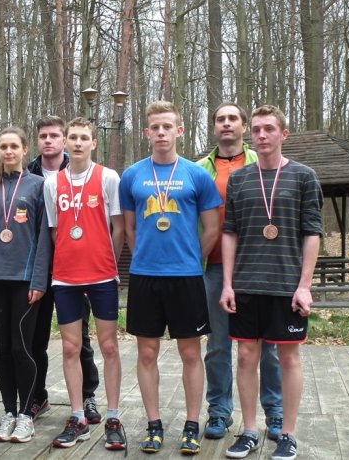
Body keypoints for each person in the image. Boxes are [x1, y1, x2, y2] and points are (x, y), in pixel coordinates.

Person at [220, 105, 323, 460]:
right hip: (246, 284)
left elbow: (312, 233)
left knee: (288, 358)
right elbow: (229, 233)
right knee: (246, 357)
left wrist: (304, 285)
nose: (262, 135)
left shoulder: (304, 176)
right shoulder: (239, 179)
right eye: (257, 130)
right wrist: (227, 284)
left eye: (269, 129)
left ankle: (288, 435)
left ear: (284, 134)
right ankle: (249, 431)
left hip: (286, 285)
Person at [119, 101, 221, 455]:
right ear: (146, 132)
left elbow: (212, 228)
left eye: (167, 126)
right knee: (146, 353)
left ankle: (192, 424)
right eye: (155, 127)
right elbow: (130, 229)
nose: (161, 132)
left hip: (186, 277)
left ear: (179, 130)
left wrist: (191, 259)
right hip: (145, 278)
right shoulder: (132, 175)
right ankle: (154, 424)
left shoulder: (197, 174)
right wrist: (147, 258)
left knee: (190, 353)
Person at [197, 103, 283, 440]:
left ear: (244, 126)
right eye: (220, 119)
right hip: (214, 268)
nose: (226, 123)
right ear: (214, 127)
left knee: (267, 346)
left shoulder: (260, 161)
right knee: (217, 345)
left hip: (257, 267)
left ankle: (274, 412)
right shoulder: (198, 169)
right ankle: (219, 412)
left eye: (233, 118)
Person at [44, 118, 126, 451]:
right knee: (70, 347)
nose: (77, 143)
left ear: (93, 143)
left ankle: (113, 417)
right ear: (65, 142)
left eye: (84, 138)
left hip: (102, 274)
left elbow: (119, 227)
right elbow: (55, 230)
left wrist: (108, 262)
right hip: (65, 276)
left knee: (109, 347)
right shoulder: (52, 183)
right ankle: (77, 417)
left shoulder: (108, 177)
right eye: (73, 138)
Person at [0, 126, 51, 443]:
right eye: (3, 146)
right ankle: (9, 413)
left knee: (21, 347)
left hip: (25, 280)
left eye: (14, 146)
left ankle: (27, 414)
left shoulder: (38, 186)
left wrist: (39, 279)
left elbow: (44, 239)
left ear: (25, 149)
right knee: (0, 348)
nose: (8, 151)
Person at [27, 116, 101, 423]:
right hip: (38, 268)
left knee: (79, 338)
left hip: (74, 269)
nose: (48, 140)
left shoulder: (81, 171)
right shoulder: (28, 174)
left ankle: (87, 396)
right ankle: (37, 396)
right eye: (43, 135)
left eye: (54, 135)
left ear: (64, 140)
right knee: (35, 337)